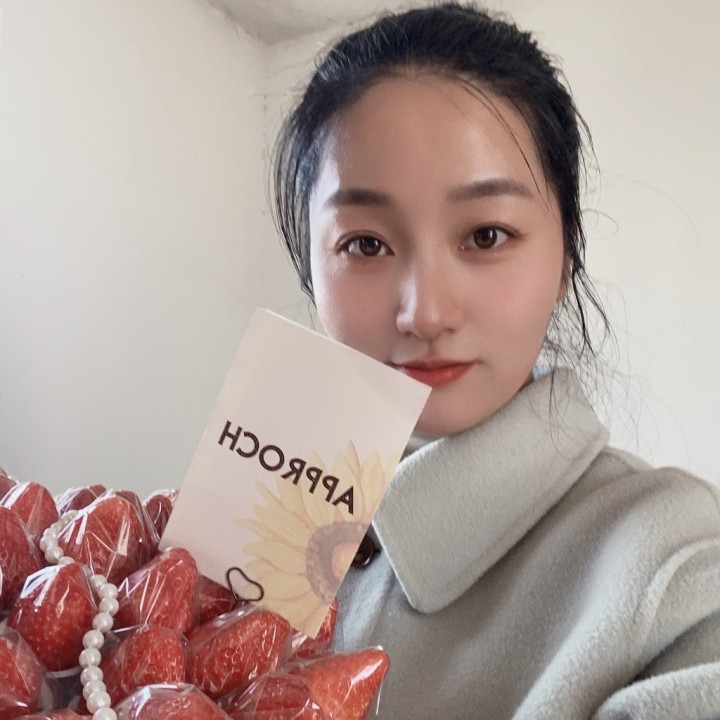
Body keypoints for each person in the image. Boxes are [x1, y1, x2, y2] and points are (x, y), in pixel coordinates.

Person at [271, 3, 720, 718]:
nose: (426, 313)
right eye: (365, 244)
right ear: (311, 269)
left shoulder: (678, 566)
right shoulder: (252, 507)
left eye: (485, 235)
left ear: (565, 256)